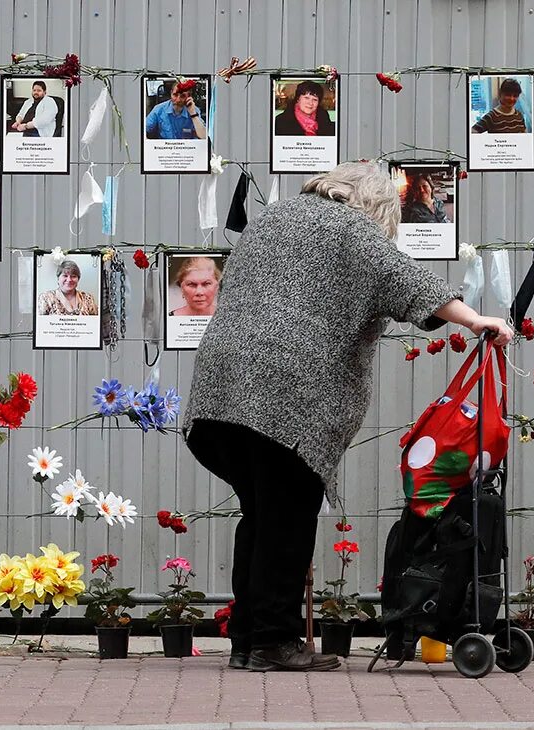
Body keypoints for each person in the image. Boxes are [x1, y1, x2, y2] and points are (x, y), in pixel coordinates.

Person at [182, 161, 512, 672]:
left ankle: (249, 639)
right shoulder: (352, 228)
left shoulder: (274, 217)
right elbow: (408, 279)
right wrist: (475, 319)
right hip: (285, 395)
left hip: (220, 388)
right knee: (286, 519)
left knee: (261, 515)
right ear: (378, 204)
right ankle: (272, 641)